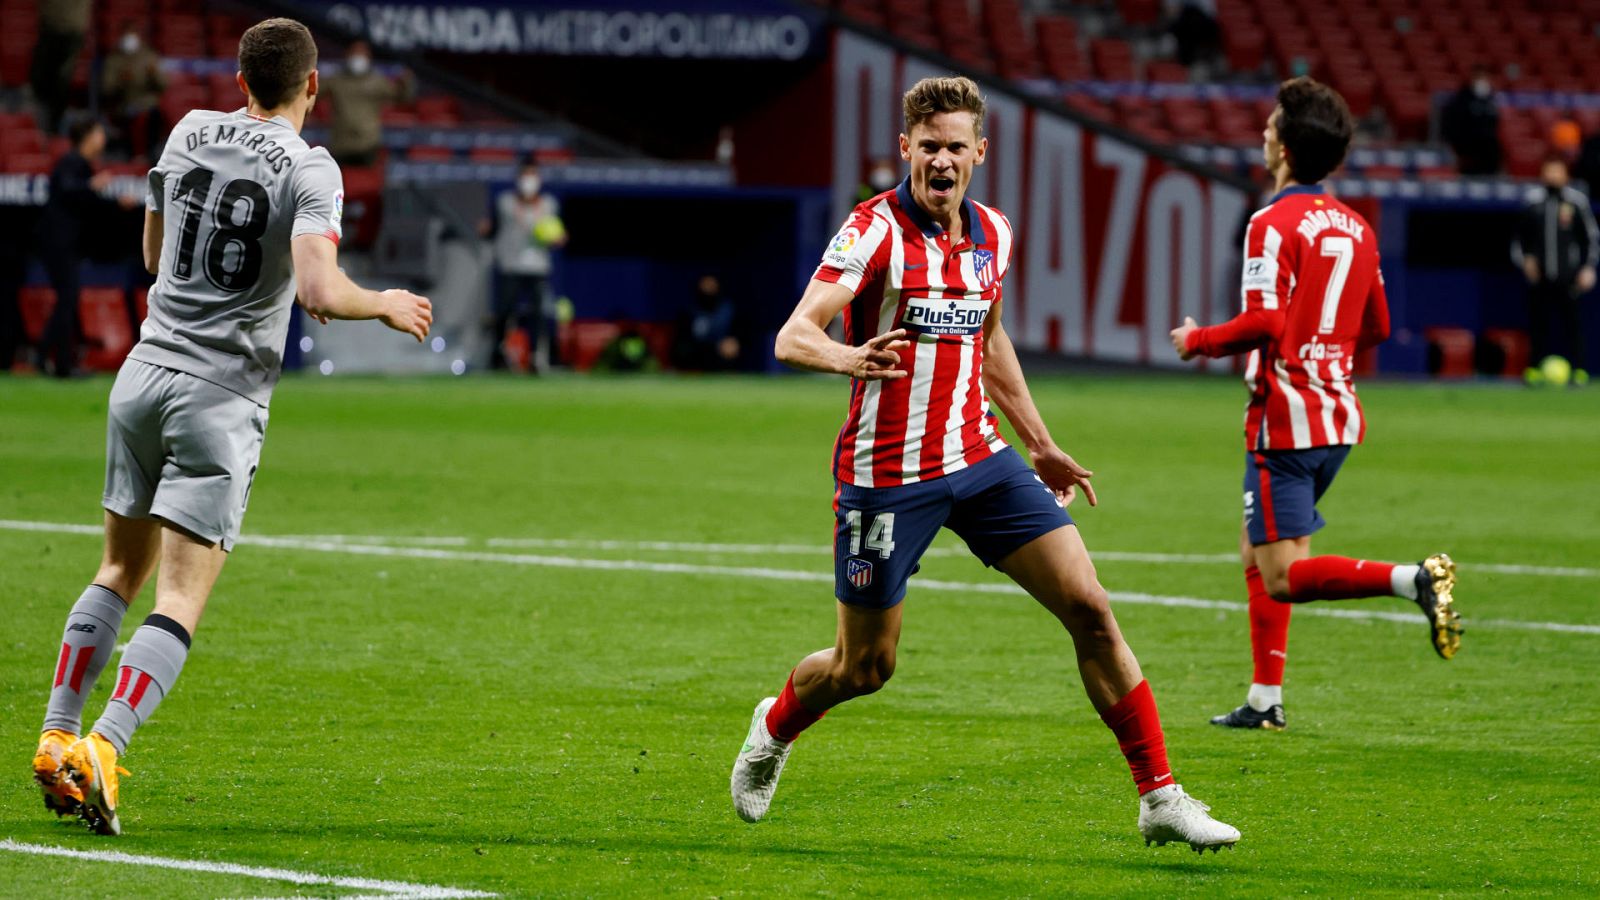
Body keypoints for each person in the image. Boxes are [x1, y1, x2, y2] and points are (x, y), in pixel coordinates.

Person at [730, 76, 1240, 853]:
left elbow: (990, 339)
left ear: (979, 153)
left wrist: (1038, 442)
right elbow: (793, 335)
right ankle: (774, 726)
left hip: (981, 458)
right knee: (865, 668)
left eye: (955, 147)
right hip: (887, 477)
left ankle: (1159, 795)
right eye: (927, 145)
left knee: (1091, 609)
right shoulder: (871, 232)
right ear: (906, 149)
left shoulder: (993, 233)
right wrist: (847, 356)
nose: (941, 160)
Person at [30, 17, 433, 836]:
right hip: (220, 398)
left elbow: (153, 250)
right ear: (312, 87)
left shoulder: (186, 130)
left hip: (141, 378)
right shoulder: (312, 168)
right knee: (179, 595)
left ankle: (56, 735)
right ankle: (103, 749)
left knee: (116, 568)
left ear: (241, 80)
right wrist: (383, 301)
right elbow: (319, 292)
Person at [1168, 77, 1464, 732]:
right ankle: (1265, 700)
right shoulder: (1356, 226)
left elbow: (1266, 323)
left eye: (1271, 123)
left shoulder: (1271, 223)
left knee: (1280, 574)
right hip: (1338, 414)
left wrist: (1198, 341)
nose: (1264, 130)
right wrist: (1325, 344)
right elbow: (1378, 325)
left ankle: (1410, 579)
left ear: (1284, 147)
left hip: (1284, 419)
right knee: (1255, 552)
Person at [36, 117, 138, 377]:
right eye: (99, 133)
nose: (102, 139)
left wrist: (115, 203)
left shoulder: (83, 165)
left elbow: (90, 202)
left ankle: (45, 356)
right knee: (67, 298)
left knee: (67, 299)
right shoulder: (71, 162)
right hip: (58, 244)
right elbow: (69, 190)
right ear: (89, 137)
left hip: (66, 245)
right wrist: (94, 186)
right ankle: (60, 364)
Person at [1512, 155, 1597, 386]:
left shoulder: (1576, 202)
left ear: (1565, 175)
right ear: (1542, 174)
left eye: (1557, 171)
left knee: (1573, 325)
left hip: (1568, 276)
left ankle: (1579, 369)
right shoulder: (1533, 203)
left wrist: (1588, 268)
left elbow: (1590, 238)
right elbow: (1520, 240)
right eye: (1549, 171)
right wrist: (1525, 261)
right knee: (1538, 324)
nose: (1553, 176)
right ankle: (1534, 369)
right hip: (1540, 277)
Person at [487, 158, 564, 372]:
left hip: (538, 266)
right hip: (510, 264)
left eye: (532, 176)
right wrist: (486, 230)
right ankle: (499, 355)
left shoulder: (549, 205)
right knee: (504, 312)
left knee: (538, 314)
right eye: (525, 177)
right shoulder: (505, 202)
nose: (528, 182)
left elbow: (556, 231)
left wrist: (558, 237)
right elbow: (492, 228)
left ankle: (536, 357)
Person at [319, 39, 413, 168]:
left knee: (369, 184)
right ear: (347, 55)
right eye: (355, 53)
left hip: (368, 146)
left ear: (368, 57)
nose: (358, 57)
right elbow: (314, 93)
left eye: (361, 53)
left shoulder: (378, 81)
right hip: (341, 145)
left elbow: (401, 98)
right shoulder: (336, 80)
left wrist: (406, 83)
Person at [100, 21, 168, 161]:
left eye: (132, 34)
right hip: (124, 105)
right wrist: (121, 81)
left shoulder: (149, 56)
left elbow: (163, 85)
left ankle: (158, 156)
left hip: (149, 106)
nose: (130, 38)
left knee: (160, 117)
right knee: (136, 118)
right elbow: (106, 88)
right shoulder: (114, 59)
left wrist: (154, 74)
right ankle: (137, 157)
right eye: (126, 34)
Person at [29, 0, 90, 134]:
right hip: (51, 29)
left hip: (72, 31)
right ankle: (41, 120)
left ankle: (56, 124)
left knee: (63, 78)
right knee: (42, 76)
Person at [1441, 65, 1501, 175]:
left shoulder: (1491, 100)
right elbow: (1452, 125)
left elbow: (1495, 124)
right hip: (1468, 156)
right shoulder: (1461, 98)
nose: (1482, 81)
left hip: (1489, 157)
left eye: (1485, 77)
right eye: (1479, 77)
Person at [670, 274, 739, 371]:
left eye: (712, 286)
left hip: (721, 358)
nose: (709, 290)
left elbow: (738, 336)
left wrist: (732, 343)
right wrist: (714, 347)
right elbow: (682, 343)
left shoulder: (727, 310)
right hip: (696, 355)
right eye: (705, 286)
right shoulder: (689, 312)